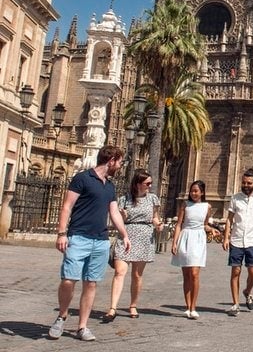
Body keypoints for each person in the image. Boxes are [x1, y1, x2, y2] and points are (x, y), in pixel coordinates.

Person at [48, 145, 130, 342]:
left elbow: (114, 212)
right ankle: (62, 315)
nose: (120, 166)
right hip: (78, 237)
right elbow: (67, 206)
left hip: (100, 241)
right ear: (111, 161)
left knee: (91, 283)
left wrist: (124, 234)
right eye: (119, 162)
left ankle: (82, 327)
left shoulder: (109, 186)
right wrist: (62, 233)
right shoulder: (82, 178)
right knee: (68, 279)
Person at [102, 169, 162, 322]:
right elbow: (116, 219)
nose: (150, 185)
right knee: (119, 272)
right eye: (147, 183)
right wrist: (122, 217)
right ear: (137, 183)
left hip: (144, 237)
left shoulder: (153, 199)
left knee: (137, 275)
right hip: (126, 236)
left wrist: (158, 225)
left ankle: (133, 305)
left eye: (151, 183)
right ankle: (113, 308)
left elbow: (155, 218)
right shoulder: (124, 199)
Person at [171, 180, 219, 319]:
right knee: (186, 274)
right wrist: (174, 242)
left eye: (196, 191)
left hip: (198, 239)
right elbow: (179, 224)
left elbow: (204, 225)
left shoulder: (207, 207)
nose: (193, 193)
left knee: (194, 273)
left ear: (202, 192)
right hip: (185, 237)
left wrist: (212, 230)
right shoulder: (185, 205)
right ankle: (187, 307)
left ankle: (194, 306)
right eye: (192, 191)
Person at [223, 168, 253, 315]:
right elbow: (229, 219)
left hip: (252, 240)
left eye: (249, 183)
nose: (246, 185)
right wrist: (226, 237)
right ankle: (235, 304)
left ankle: (247, 291)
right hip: (236, 240)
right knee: (235, 271)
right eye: (243, 182)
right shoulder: (235, 198)